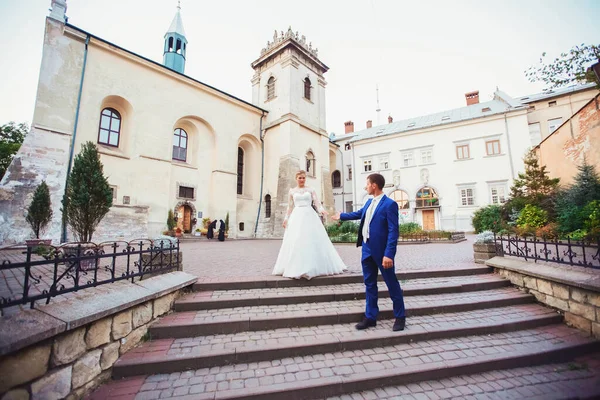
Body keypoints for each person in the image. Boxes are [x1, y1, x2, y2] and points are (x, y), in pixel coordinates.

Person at [332, 173, 406, 332]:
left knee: (392, 284)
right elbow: (359, 214)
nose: (365, 187)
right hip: (366, 250)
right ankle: (370, 317)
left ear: (374, 185)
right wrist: (342, 216)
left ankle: (400, 317)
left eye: (367, 184)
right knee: (370, 284)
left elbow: (393, 231)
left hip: (382, 253)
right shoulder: (368, 202)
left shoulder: (389, 204)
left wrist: (389, 254)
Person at [272, 170, 347, 280]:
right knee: (297, 240)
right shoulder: (292, 191)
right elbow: (290, 207)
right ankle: (295, 266)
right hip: (297, 216)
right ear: (296, 178)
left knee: (311, 239)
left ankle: (313, 266)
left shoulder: (311, 190)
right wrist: (286, 219)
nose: (302, 180)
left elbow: (317, 203)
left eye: (303, 178)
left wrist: (322, 210)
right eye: (300, 178)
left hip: (309, 215)